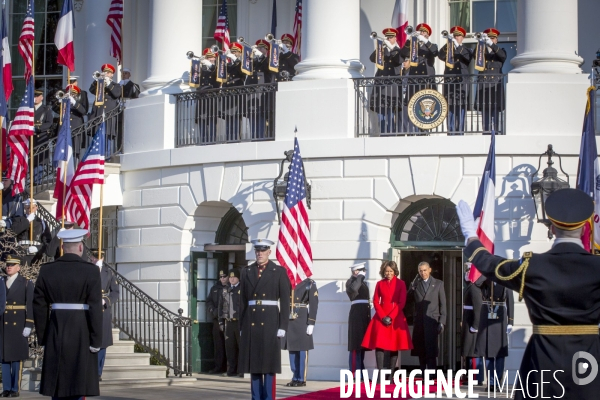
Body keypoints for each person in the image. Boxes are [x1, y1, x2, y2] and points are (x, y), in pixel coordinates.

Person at [455, 188, 600, 399]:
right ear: (585, 227)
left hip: (544, 355)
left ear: (551, 226)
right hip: (589, 356)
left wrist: (470, 235)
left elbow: (490, 264)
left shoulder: (532, 265)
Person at [33, 229, 103, 399]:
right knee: (78, 382)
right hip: (82, 330)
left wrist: (43, 337)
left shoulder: (47, 270)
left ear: (63, 247)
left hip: (56, 328)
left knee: (58, 383)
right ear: (80, 247)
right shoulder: (91, 271)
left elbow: (39, 306)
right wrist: (96, 339)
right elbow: (95, 307)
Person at [239, 239, 290, 400]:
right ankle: (256, 397)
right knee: (254, 364)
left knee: (269, 364)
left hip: (270, 321)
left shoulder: (279, 271)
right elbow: (242, 302)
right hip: (251, 321)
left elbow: (285, 301)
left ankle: (268, 397)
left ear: (269, 252)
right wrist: (242, 325)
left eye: (263, 251)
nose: (259, 254)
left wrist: (283, 325)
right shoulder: (246, 271)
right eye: (257, 251)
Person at [361, 261, 412, 373]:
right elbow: (376, 301)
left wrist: (391, 317)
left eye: (390, 271)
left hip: (396, 316)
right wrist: (383, 316)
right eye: (386, 271)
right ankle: (380, 373)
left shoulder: (401, 283)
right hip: (381, 316)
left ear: (395, 272)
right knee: (379, 344)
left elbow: (402, 302)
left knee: (394, 345)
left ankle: (391, 374)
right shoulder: (380, 283)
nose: (388, 273)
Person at [0, 255, 33, 398]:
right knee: (4, 358)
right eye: (8, 265)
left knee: (16, 358)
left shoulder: (26, 283)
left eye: (12, 265)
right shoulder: (1, 281)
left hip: (18, 322)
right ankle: (6, 388)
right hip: (3, 323)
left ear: (18, 267)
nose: (9, 267)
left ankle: (15, 388)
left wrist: (29, 324)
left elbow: (31, 305)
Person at [474, 276, 514, 389]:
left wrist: (511, 321)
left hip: (499, 316)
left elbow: (510, 301)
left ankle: (497, 381)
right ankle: (491, 382)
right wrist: (486, 273)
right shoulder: (486, 280)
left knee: (500, 353)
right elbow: (476, 283)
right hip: (486, 315)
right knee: (488, 352)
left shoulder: (506, 280)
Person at [409, 261, 446, 371]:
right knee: (421, 350)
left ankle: (432, 374)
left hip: (432, 321)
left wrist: (442, 322)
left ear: (430, 270)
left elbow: (443, 304)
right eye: (420, 271)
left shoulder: (438, 283)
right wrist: (411, 287)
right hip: (419, 322)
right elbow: (407, 299)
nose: (423, 273)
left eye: (425, 270)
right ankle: (424, 373)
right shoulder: (416, 284)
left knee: (431, 350)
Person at [282, 276, 319, 387]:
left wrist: (311, 322)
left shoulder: (309, 283)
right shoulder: (287, 282)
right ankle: (294, 376)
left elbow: (314, 304)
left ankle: (301, 378)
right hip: (289, 317)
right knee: (291, 349)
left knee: (302, 350)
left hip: (302, 317)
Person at [438, 26, 472, 135]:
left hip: (462, 82)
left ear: (463, 37)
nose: (456, 37)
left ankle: (460, 132)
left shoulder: (467, 50)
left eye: (458, 36)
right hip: (450, 82)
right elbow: (440, 55)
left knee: (461, 106)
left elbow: (467, 58)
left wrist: (456, 45)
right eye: (454, 35)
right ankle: (450, 132)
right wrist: (449, 43)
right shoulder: (448, 48)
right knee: (450, 106)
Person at [369, 28, 402, 134]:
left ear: (395, 38)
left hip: (392, 88)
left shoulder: (398, 50)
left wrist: (390, 47)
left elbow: (398, 60)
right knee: (381, 116)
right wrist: (380, 46)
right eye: (387, 37)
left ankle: (391, 135)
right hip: (381, 87)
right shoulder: (382, 50)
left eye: (391, 37)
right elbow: (372, 58)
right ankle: (383, 135)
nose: (388, 39)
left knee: (391, 115)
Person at [476, 28, 506, 134]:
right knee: (485, 117)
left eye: (493, 38)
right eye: (489, 38)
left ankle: (496, 133)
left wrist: (491, 44)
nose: (491, 40)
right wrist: (481, 43)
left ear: (496, 40)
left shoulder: (500, 51)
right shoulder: (480, 53)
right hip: (483, 87)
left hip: (495, 87)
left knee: (495, 114)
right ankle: (486, 133)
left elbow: (502, 56)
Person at [400, 22, 438, 103]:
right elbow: (403, 54)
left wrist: (424, 40)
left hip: (427, 77)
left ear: (428, 35)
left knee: (428, 102)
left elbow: (435, 52)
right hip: (414, 77)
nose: (421, 33)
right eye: (420, 32)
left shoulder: (432, 45)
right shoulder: (414, 46)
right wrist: (409, 41)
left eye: (424, 32)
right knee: (413, 104)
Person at [89, 64, 122, 155]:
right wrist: (97, 80)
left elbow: (116, 94)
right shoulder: (99, 84)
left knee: (108, 137)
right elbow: (91, 90)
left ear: (112, 75)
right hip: (99, 114)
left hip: (109, 115)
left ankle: (106, 157)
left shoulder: (116, 85)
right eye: (104, 72)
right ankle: (96, 157)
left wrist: (109, 83)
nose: (106, 74)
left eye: (108, 73)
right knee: (97, 137)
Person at [245, 40, 275, 139]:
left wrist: (261, 56)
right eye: (258, 48)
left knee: (261, 117)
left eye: (262, 48)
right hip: (252, 95)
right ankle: (254, 138)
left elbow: (269, 69)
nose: (259, 50)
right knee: (252, 117)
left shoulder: (268, 61)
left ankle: (260, 138)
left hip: (262, 95)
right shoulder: (255, 62)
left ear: (267, 50)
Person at [96, 254, 119, 381]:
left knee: (102, 342)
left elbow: (115, 291)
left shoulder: (108, 272)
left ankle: (98, 372)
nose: (95, 259)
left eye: (98, 257)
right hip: (89, 308)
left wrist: (106, 300)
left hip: (102, 310)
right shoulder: (87, 270)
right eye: (93, 257)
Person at [345, 262, 371, 375]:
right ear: (356, 271)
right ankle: (355, 373)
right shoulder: (351, 282)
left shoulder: (362, 282)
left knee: (362, 345)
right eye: (361, 271)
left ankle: (361, 372)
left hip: (364, 314)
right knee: (356, 345)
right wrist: (359, 276)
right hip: (356, 316)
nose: (364, 273)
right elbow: (354, 290)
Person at [8, 199, 52, 263]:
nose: (30, 210)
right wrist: (27, 221)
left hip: (36, 256)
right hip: (21, 254)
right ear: (25, 208)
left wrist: (38, 248)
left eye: (33, 207)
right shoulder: (18, 220)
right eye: (28, 208)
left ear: (36, 207)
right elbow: (13, 232)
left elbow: (47, 241)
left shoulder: (42, 223)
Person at [460, 263, 483, 383]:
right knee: (468, 350)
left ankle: (476, 377)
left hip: (471, 323)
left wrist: (475, 325)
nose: (467, 272)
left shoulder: (474, 287)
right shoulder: (469, 286)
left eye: (469, 270)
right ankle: (470, 377)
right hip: (467, 320)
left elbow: (478, 308)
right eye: (466, 270)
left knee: (473, 351)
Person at [218, 268, 243, 378]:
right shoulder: (225, 289)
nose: (232, 279)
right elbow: (220, 307)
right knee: (230, 348)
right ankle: (231, 370)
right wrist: (221, 322)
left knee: (241, 347)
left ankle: (241, 370)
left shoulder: (242, 289)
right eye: (231, 277)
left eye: (234, 277)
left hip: (239, 322)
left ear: (238, 278)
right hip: (228, 322)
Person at [206, 269, 229, 374]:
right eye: (221, 277)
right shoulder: (215, 288)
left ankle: (231, 368)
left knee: (230, 345)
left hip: (228, 320)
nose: (222, 279)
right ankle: (218, 367)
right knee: (218, 345)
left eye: (224, 276)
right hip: (216, 319)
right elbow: (209, 301)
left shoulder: (231, 288)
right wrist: (213, 311)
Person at [196, 48, 219, 144]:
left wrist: (209, 64)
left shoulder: (217, 67)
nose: (211, 59)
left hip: (212, 95)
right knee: (202, 118)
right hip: (202, 96)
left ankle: (212, 140)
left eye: (212, 57)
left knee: (212, 118)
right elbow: (195, 79)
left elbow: (217, 74)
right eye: (208, 57)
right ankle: (203, 140)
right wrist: (199, 65)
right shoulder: (201, 68)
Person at [33, 89, 55, 185]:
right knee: (31, 161)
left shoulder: (46, 109)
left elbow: (49, 123)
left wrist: (37, 128)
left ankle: (37, 182)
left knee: (39, 161)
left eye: (37, 96)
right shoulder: (29, 109)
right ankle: (32, 182)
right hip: (31, 139)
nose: (35, 98)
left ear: (41, 97)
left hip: (41, 137)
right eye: (34, 96)